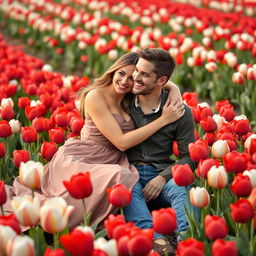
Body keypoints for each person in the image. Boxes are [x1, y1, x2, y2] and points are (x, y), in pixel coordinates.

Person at [5, 51, 184, 232]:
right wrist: (164, 120)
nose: (124, 81)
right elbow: (121, 142)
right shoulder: (95, 97)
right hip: (84, 158)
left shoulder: (131, 98)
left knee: (127, 178)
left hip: (112, 159)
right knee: (122, 177)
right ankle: (145, 231)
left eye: (132, 77)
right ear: (113, 71)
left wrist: (174, 89)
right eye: (121, 73)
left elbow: (155, 79)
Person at [123, 48, 198, 254]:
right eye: (136, 70)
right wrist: (174, 87)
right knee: (124, 189)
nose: (135, 77)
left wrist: (163, 178)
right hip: (130, 172)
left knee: (183, 189)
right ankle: (156, 243)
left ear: (161, 81)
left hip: (162, 173)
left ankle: (188, 244)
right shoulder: (123, 102)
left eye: (144, 74)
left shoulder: (179, 111)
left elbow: (189, 156)